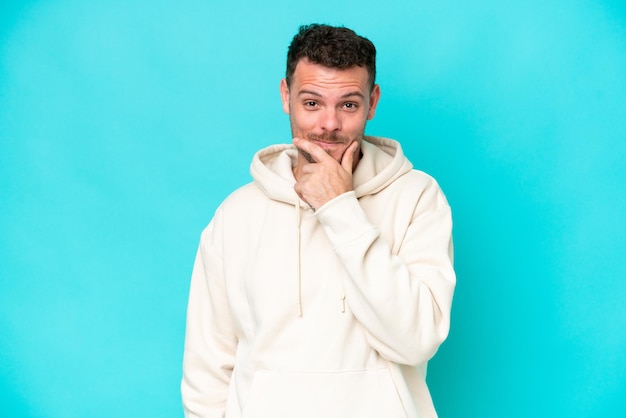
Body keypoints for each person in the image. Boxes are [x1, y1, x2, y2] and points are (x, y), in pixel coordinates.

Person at [181, 23, 455, 418]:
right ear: (285, 96)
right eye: (312, 103)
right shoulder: (237, 213)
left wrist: (340, 208)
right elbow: (207, 367)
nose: (329, 124)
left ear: (372, 103)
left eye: (348, 104)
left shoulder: (416, 198)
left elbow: (416, 339)